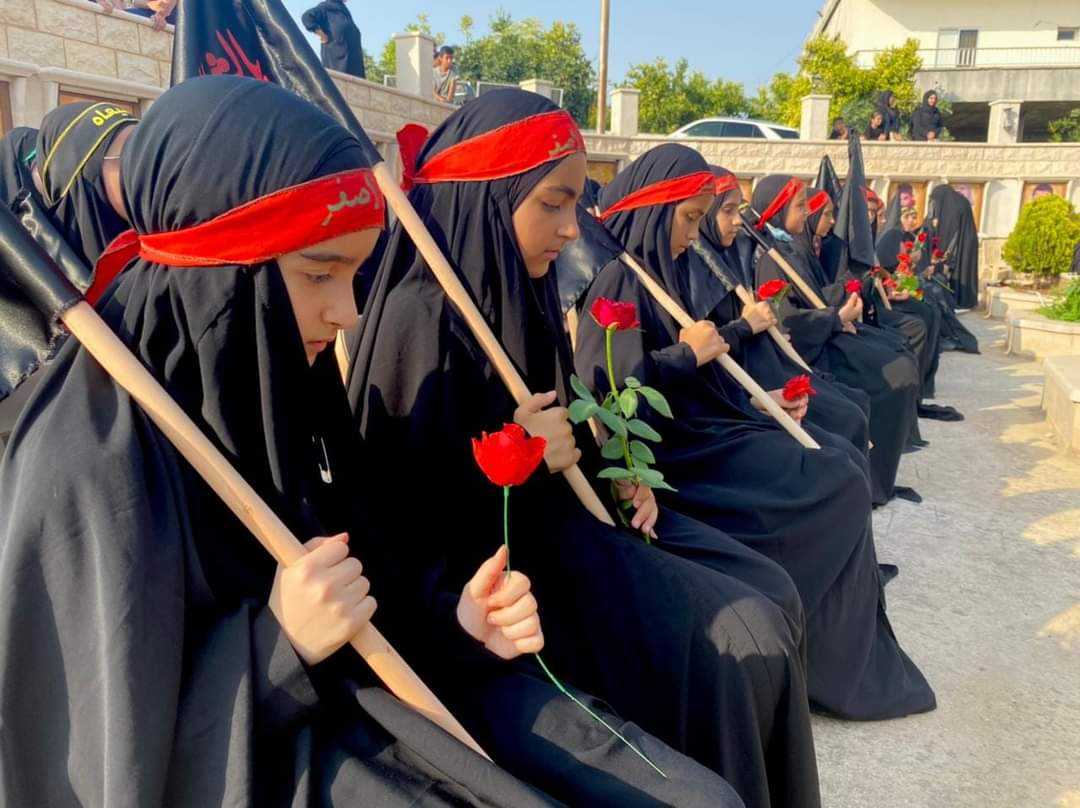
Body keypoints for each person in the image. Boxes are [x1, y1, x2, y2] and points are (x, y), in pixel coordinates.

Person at [0, 75, 735, 808]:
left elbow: (378, 564)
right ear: (226, 274)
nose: (349, 313)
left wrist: (458, 619)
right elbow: (100, 768)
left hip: (389, 693)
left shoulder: (291, 384)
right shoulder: (84, 471)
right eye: (319, 273)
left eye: (353, 273)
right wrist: (279, 645)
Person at [349, 89, 820, 808]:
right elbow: (404, 531)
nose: (572, 229)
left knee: (763, 612)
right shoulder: (420, 317)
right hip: (499, 604)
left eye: (574, 204)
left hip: (572, 536)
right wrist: (514, 456)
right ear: (490, 198)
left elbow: (568, 431)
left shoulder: (528, 287)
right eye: (553, 203)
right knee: (738, 642)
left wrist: (611, 473)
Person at [576, 145, 933, 723]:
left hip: (706, 432)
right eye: (688, 219)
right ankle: (827, 662)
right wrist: (685, 355)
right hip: (678, 460)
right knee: (834, 482)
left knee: (840, 462)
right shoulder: (617, 280)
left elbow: (706, 382)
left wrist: (759, 403)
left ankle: (837, 646)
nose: (691, 235)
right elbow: (610, 395)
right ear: (654, 212)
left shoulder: (666, 272)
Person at [753, 175, 924, 506]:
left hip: (826, 333)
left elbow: (814, 296)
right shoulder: (769, 258)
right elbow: (789, 322)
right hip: (810, 351)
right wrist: (835, 318)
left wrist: (839, 312)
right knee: (888, 377)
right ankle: (870, 483)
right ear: (777, 209)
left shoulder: (790, 249)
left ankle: (878, 478)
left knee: (899, 355)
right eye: (800, 206)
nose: (807, 213)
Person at [689, 167, 872, 455]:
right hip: (744, 378)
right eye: (728, 210)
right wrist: (833, 318)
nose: (737, 220)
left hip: (771, 356)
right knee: (846, 418)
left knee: (856, 402)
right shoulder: (734, 260)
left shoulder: (746, 253)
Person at [32, 101, 138, 273]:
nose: (146, 167)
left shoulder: (168, 249)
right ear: (84, 178)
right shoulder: (38, 275)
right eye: (128, 156)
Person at [927, 185, 980, 310]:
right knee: (963, 271)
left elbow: (949, 231)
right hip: (966, 240)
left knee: (960, 270)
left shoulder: (952, 206)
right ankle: (962, 299)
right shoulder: (958, 201)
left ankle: (958, 300)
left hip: (961, 241)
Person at [302, 0, 366, 79]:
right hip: (337, 66)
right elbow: (307, 17)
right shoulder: (326, 8)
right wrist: (321, 34)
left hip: (354, 70)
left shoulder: (344, 11)